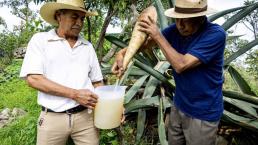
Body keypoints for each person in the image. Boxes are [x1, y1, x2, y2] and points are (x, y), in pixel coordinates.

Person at [112, 0, 226, 145]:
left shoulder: (215, 35)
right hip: (179, 104)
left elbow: (181, 65)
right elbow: (146, 44)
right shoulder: (175, 30)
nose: (180, 25)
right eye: (177, 19)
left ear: (200, 18)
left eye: (185, 20)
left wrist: (157, 35)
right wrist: (122, 53)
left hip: (202, 113)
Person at [20, 0, 103, 144]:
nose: (79, 22)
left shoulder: (87, 46)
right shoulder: (41, 40)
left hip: (86, 118)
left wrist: (110, 108)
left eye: (82, 18)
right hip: (52, 119)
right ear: (59, 16)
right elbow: (33, 79)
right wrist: (75, 94)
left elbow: (97, 82)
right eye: (74, 17)